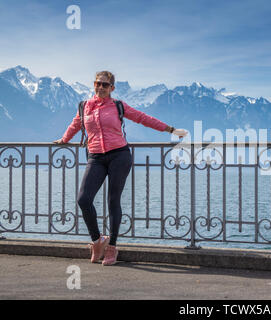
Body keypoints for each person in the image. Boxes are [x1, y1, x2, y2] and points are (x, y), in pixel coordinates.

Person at [54, 71, 187, 266]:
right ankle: (97, 240)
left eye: (105, 85)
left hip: (119, 156)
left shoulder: (118, 106)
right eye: (97, 83)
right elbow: (76, 124)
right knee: (83, 199)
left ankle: (112, 247)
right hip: (96, 157)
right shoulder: (84, 106)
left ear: (112, 88)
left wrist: (171, 130)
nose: (100, 87)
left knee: (113, 201)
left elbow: (143, 118)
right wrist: (64, 139)